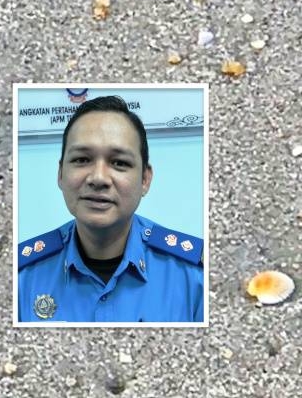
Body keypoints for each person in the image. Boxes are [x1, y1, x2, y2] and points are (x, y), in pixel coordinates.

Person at [17, 95, 204, 323]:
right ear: (60, 174)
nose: (98, 178)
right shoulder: (21, 276)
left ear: (145, 179)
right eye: (82, 159)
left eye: (119, 163)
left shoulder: (195, 275)